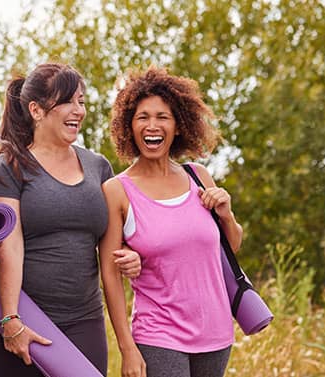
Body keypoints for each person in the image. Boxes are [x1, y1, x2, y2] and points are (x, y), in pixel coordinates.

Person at [0, 62, 141, 377]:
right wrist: (11, 319)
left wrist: (132, 256)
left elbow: (114, 245)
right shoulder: (9, 165)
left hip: (84, 320)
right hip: (23, 317)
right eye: (67, 101)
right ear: (36, 110)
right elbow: (9, 246)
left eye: (81, 101)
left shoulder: (98, 166)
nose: (78, 110)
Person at [99, 66, 243, 377]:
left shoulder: (198, 176)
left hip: (216, 333)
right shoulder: (117, 191)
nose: (153, 125)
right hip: (158, 335)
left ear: (177, 126)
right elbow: (109, 274)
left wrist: (226, 215)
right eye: (143, 117)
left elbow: (229, 249)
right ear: (130, 126)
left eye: (162, 117)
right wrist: (127, 347)